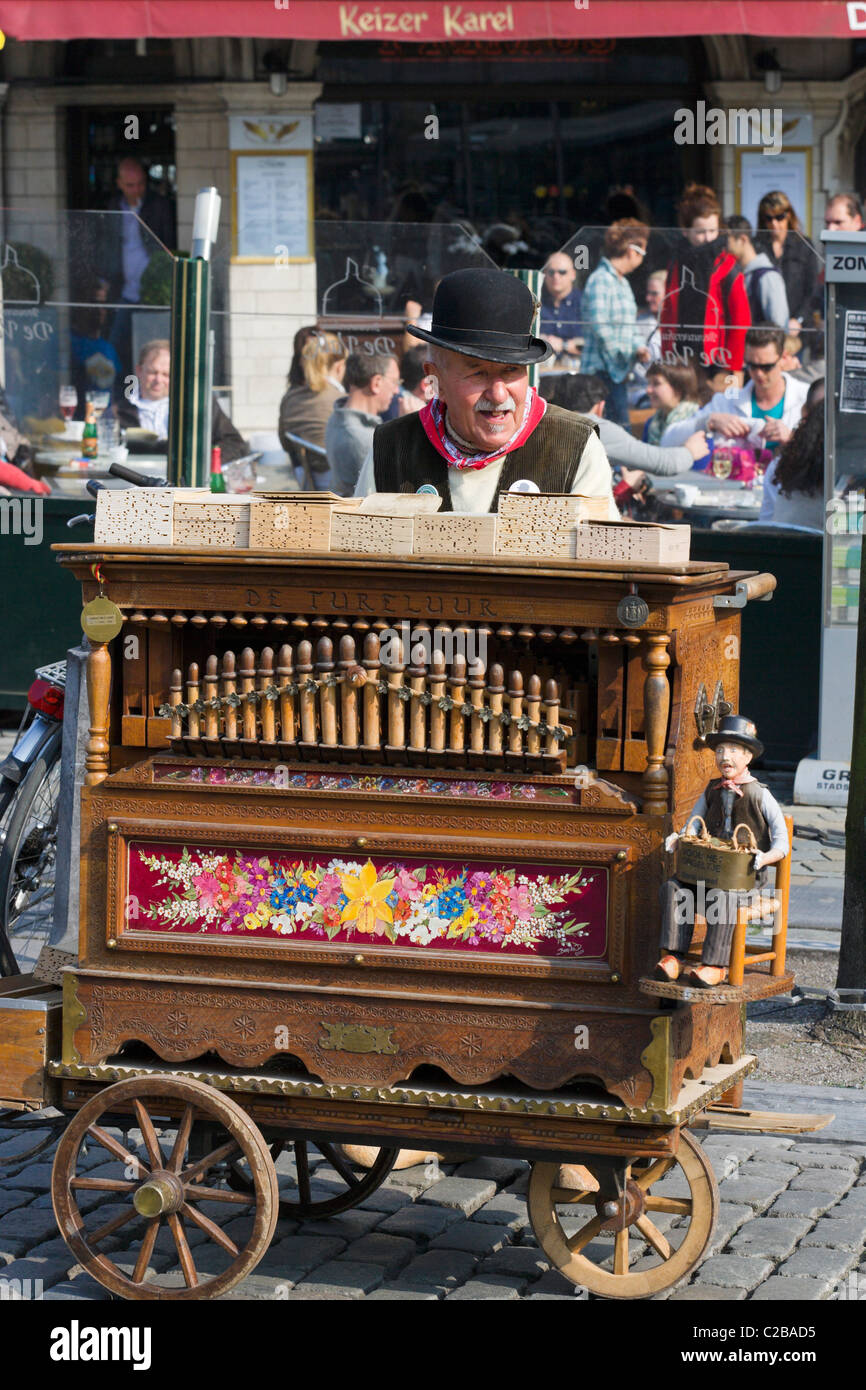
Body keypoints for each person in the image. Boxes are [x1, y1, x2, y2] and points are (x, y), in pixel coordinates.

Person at [354, 268, 617, 515]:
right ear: (436, 379)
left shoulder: (574, 445)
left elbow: (600, 557)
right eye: (478, 373)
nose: (499, 394)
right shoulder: (392, 448)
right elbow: (359, 554)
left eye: (511, 370)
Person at [655, 714, 789, 988]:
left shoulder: (760, 795)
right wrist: (679, 838)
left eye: (733, 751)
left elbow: (782, 844)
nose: (724, 757)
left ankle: (714, 965)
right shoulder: (710, 790)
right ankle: (674, 957)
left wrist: (763, 858)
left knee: (723, 897)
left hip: (743, 879)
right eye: (719, 751)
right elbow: (692, 826)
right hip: (708, 870)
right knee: (673, 887)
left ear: (748, 757)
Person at [660, 326, 809, 454]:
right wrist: (708, 421)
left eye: (766, 367)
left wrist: (791, 439)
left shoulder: (806, 397)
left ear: (783, 358)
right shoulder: (727, 401)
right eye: (752, 366)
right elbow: (668, 440)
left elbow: (825, 457)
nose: (758, 374)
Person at [546, 372, 708, 480]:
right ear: (600, 407)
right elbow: (663, 463)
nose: (648, 389)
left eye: (655, 383)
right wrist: (690, 451)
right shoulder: (595, 428)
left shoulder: (547, 422)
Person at [660, 183, 750, 377]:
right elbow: (669, 312)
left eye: (713, 231)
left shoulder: (727, 265)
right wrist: (666, 353)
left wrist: (731, 366)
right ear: (685, 231)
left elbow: (740, 320)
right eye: (700, 232)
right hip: (681, 355)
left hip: (716, 359)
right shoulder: (677, 262)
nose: (708, 238)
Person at [116, 339, 248, 462]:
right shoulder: (118, 410)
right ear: (139, 370)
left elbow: (235, 443)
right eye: (152, 372)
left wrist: (204, 464)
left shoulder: (198, 403)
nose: (158, 380)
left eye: (166, 374)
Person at [579, 219, 651, 426]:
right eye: (643, 253)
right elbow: (600, 327)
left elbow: (629, 327)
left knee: (619, 431)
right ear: (632, 251)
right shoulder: (600, 279)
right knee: (617, 431)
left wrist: (638, 348)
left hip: (616, 373)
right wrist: (621, 357)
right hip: (601, 373)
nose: (642, 260)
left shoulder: (623, 283)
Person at [327, 351, 400, 496]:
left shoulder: (336, 416)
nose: (396, 390)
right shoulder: (362, 438)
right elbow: (397, 489)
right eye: (395, 382)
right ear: (376, 383)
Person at [758, 377, 825, 529]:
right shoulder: (781, 465)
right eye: (820, 411)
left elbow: (764, 528)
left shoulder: (781, 465)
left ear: (804, 413)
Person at [756, 190, 819, 337]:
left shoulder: (804, 245)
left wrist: (798, 319)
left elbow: (813, 288)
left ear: (788, 215)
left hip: (796, 328)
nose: (774, 223)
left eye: (780, 217)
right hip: (765, 328)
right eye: (768, 218)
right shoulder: (757, 245)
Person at [278, 331, 346, 456]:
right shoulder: (343, 402)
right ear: (339, 366)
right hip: (340, 472)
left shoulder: (289, 399)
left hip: (305, 472)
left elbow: (286, 444)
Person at [726, 216, 789, 330]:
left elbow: (779, 326)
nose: (723, 248)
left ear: (742, 240)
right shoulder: (738, 274)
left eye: (727, 241)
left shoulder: (768, 277)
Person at [642, 362, 704, 446]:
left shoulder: (699, 422)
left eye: (656, 383)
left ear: (678, 388)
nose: (648, 390)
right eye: (649, 383)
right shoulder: (651, 424)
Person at [539, 252, 582, 360]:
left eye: (562, 272)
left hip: (577, 371)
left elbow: (590, 342)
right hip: (544, 370)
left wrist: (563, 345)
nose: (556, 276)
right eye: (551, 272)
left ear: (573, 275)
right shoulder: (535, 302)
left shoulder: (584, 302)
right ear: (545, 274)